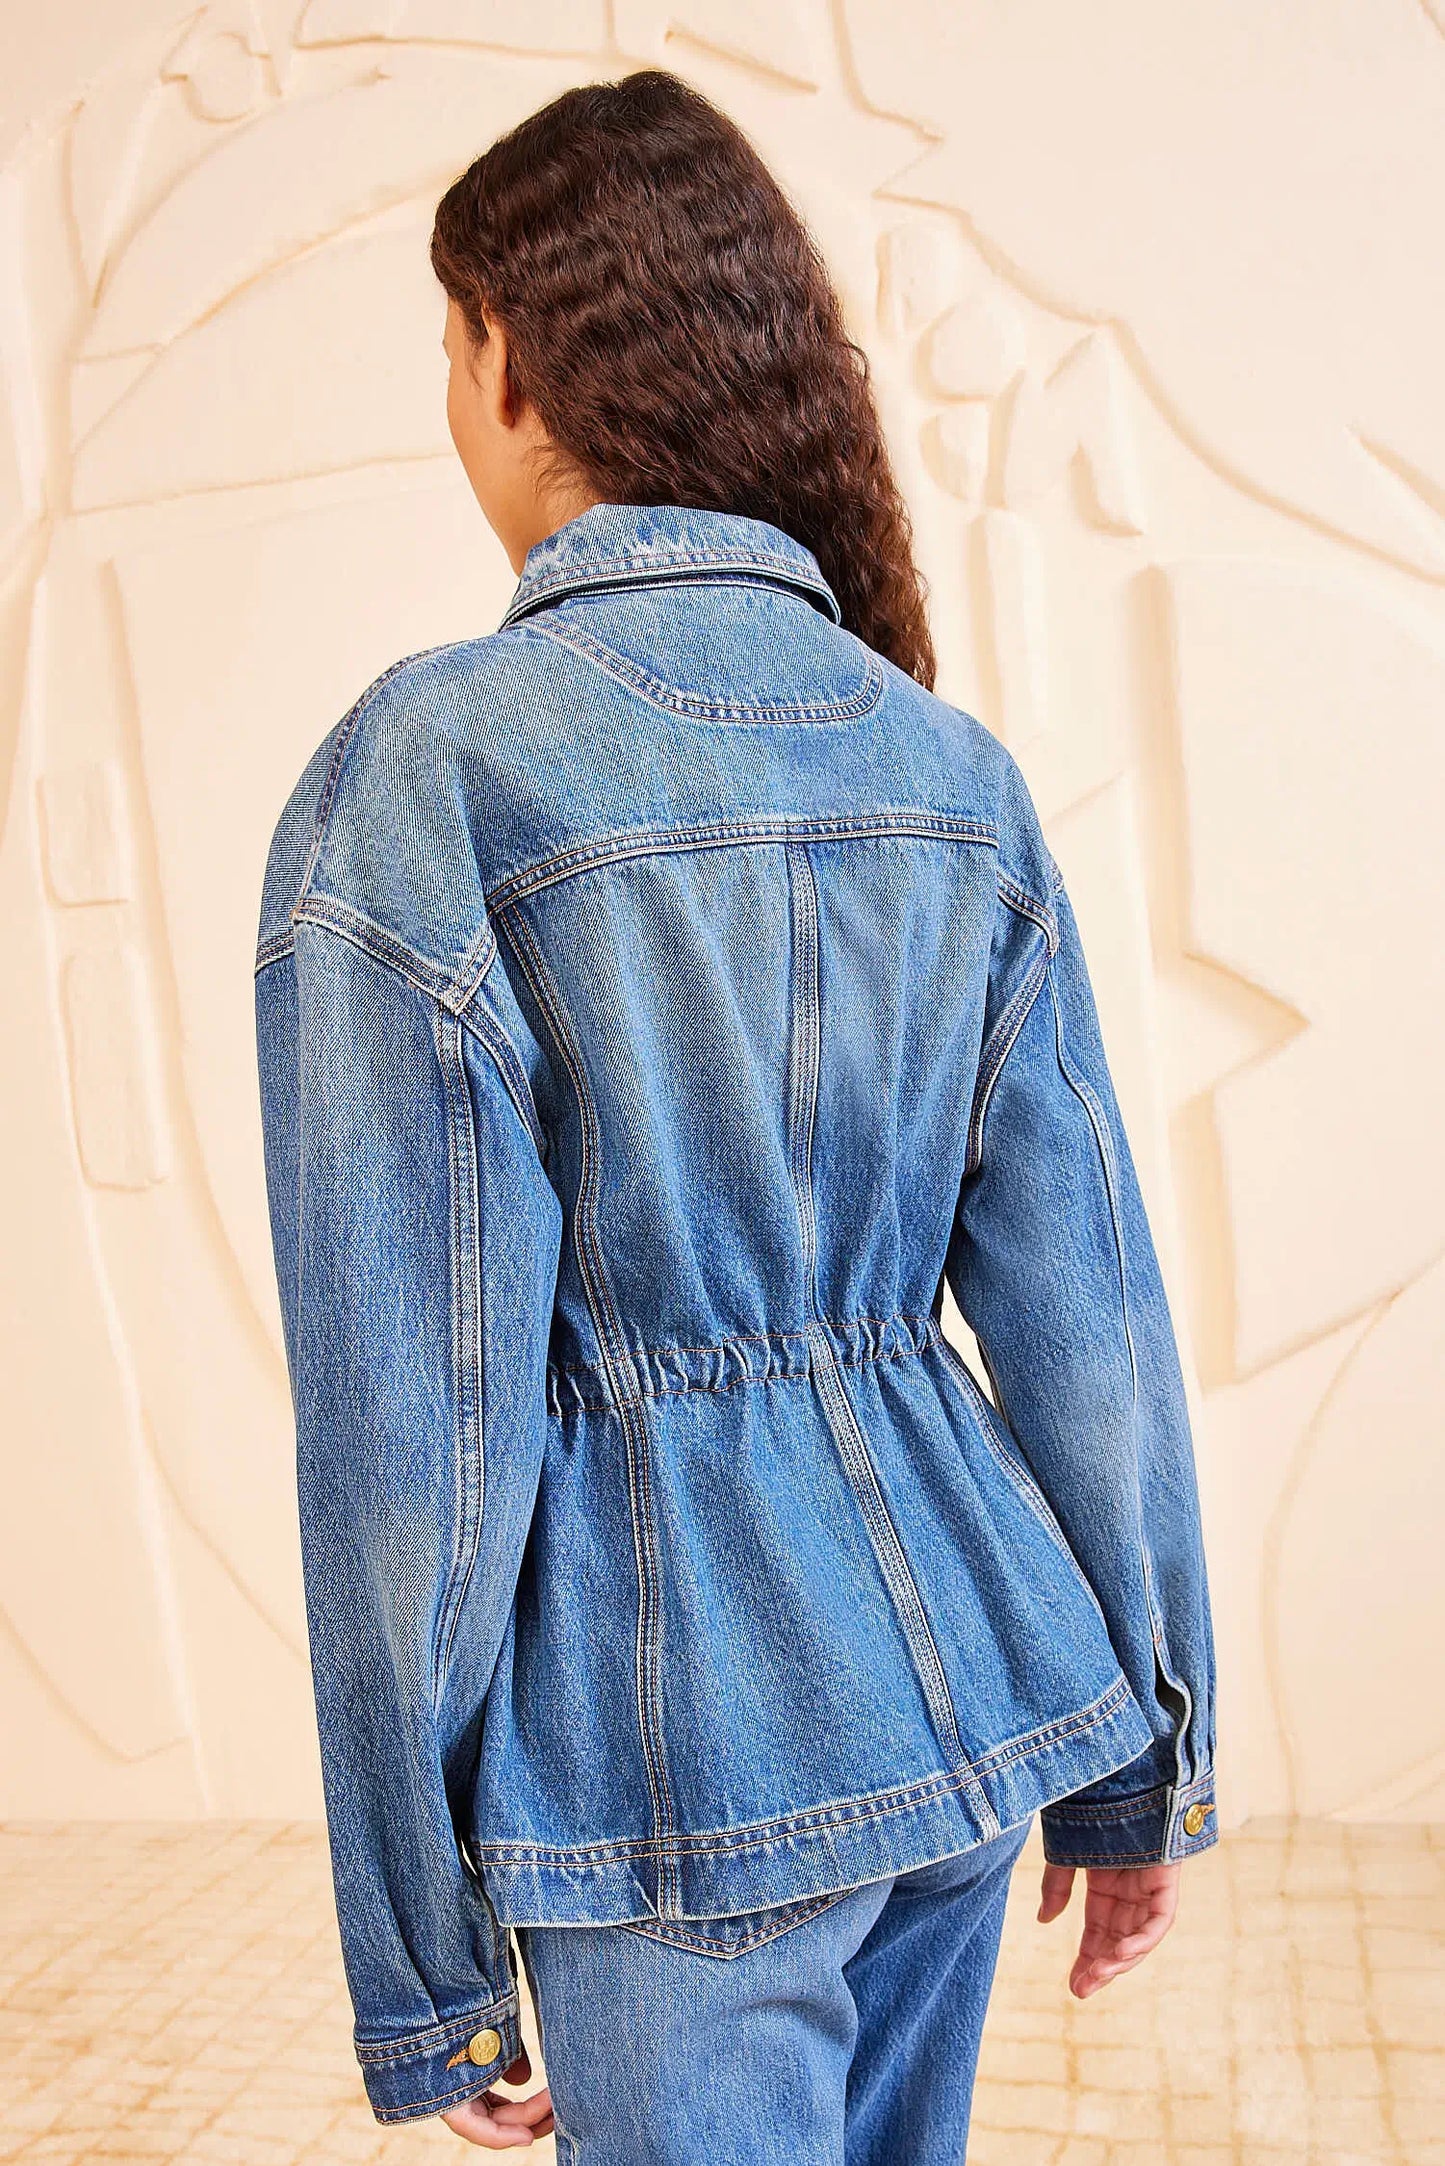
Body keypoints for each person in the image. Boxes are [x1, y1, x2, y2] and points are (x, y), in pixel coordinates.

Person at [252, 66, 1219, 2164]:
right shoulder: (945, 768)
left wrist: (423, 1957)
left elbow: (411, 1432)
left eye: (447, 344)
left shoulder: (432, 773)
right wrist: (1139, 1754)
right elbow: (1092, 1317)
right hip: (967, 1698)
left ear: (515, 364)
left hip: (674, 1762)